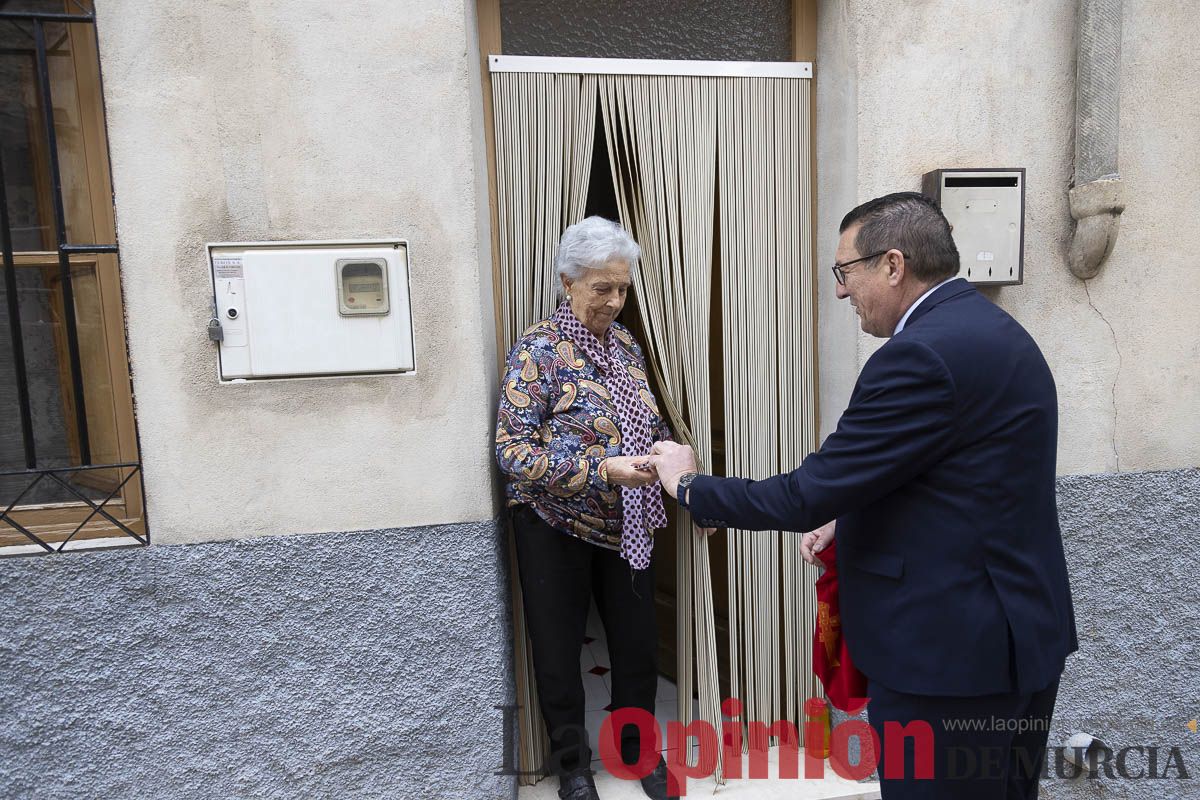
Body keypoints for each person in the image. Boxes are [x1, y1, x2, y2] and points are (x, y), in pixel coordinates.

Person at [649, 192, 1077, 799]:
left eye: (845, 272)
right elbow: (960, 483)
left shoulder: (919, 355)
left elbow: (805, 494)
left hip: (949, 665)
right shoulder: (993, 330)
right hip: (1015, 640)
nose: (842, 292)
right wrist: (849, 524)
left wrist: (689, 485)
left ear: (893, 264)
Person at [496, 216, 673, 800]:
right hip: (553, 524)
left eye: (623, 288)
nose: (616, 301)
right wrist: (601, 468)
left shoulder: (624, 344)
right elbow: (512, 451)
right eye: (603, 288)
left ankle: (638, 751)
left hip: (627, 521)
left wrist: (665, 451)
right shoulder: (538, 350)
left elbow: (641, 419)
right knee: (557, 647)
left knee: (636, 643)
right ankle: (573, 768)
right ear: (567, 282)